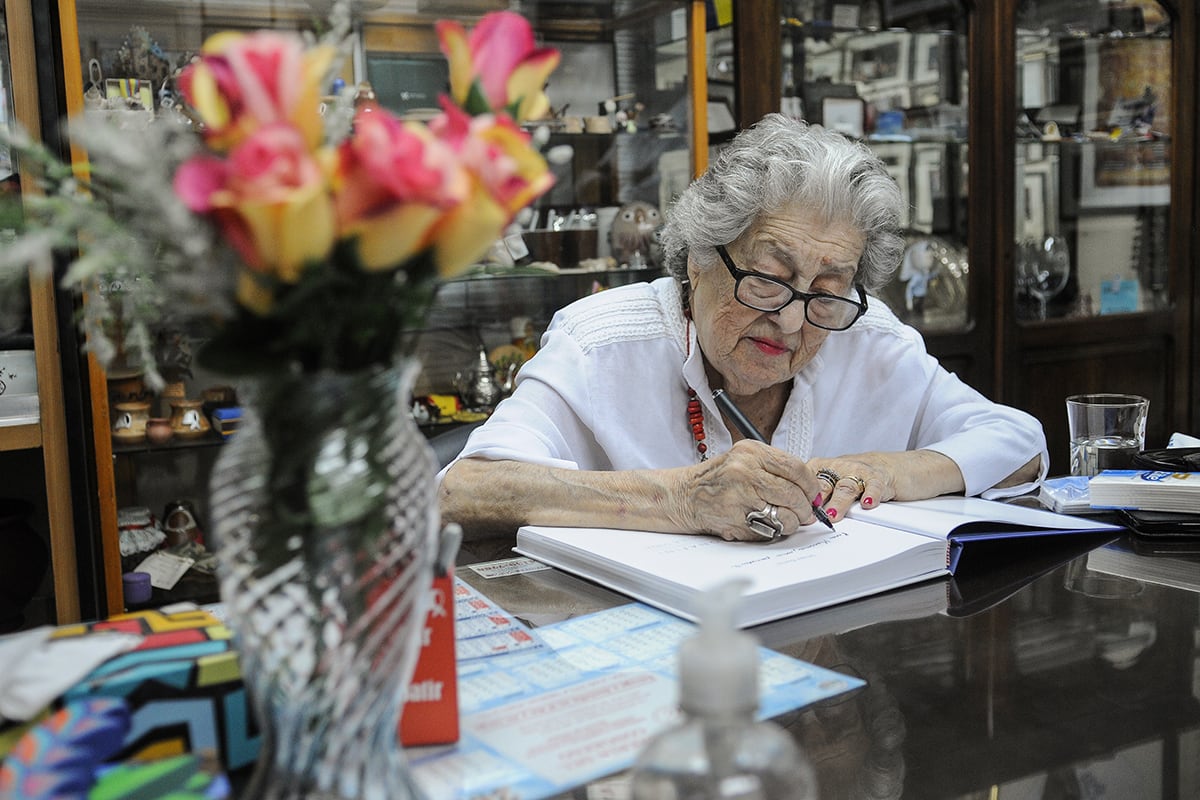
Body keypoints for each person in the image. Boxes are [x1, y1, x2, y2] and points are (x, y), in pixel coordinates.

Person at [439, 114, 1046, 549]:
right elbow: (464, 492)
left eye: (828, 289)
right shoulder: (601, 342)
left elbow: (1019, 445)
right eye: (766, 277)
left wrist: (885, 472)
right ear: (700, 258)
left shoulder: (867, 338)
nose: (789, 319)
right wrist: (684, 499)